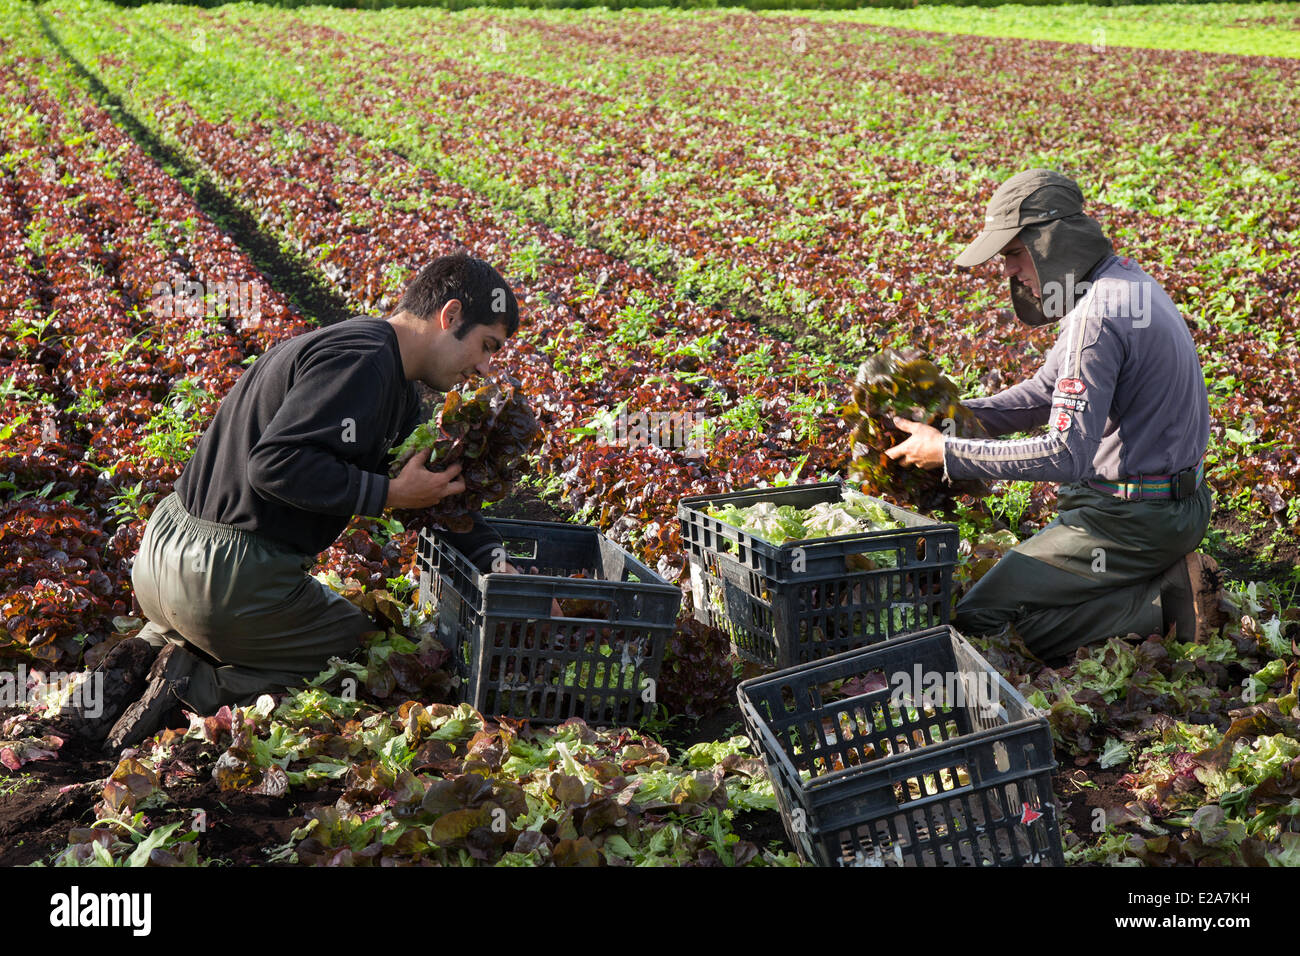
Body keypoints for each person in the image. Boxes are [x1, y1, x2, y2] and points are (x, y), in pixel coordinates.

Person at [74, 252, 519, 751]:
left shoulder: (373, 363)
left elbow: (436, 497)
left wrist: (500, 568)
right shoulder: (365, 365)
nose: (484, 367)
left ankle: (147, 653)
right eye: (487, 346)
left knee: (225, 625)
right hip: (225, 578)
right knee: (368, 656)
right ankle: (192, 688)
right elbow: (274, 466)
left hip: (160, 558)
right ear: (451, 316)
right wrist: (387, 492)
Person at [886, 169, 1224, 663]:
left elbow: (1066, 453)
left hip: (1130, 522)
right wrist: (954, 419)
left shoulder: (1095, 318)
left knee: (981, 620)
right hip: (1175, 508)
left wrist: (949, 453)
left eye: (1014, 254)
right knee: (1025, 594)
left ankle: (1160, 607)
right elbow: (1047, 393)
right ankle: (1154, 579)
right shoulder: (1123, 283)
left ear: (1052, 243)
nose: (1009, 272)